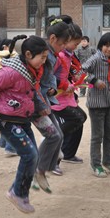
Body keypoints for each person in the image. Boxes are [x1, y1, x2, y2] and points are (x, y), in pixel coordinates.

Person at [0, 35, 49, 213]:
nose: (44, 61)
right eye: (41, 57)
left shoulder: (31, 72)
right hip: (8, 121)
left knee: (34, 156)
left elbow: (32, 93)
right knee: (30, 155)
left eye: (45, 57)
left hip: (23, 120)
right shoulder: (11, 72)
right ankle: (16, 192)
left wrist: (41, 107)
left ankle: (22, 194)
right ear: (28, 54)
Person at [82, 32, 110, 177]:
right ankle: (96, 164)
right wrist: (94, 81)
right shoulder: (94, 59)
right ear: (101, 45)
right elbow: (80, 72)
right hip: (96, 104)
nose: (109, 49)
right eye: (106, 45)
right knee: (97, 135)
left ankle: (108, 161)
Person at [32, 17, 69, 182]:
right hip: (35, 104)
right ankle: (38, 169)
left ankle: (48, 166)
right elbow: (37, 81)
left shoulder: (52, 55)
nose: (63, 49)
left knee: (59, 135)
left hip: (45, 100)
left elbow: (48, 79)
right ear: (53, 38)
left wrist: (52, 89)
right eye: (61, 44)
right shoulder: (43, 55)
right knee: (53, 136)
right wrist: (47, 92)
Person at [52, 15, 88, 165]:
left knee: (78, 121)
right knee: (78, 118)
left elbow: (69, 74)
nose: (77, 46)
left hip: (66, 96)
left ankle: (68, 153)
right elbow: (50, 78)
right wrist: (65, 86)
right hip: (56, 98)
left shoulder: (69, 56)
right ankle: (52, 147)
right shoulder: (58, 56)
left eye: (78, 43)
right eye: (75, 43)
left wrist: (72, 90)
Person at [0, 37, 18, 157]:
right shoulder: (10, 56)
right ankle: (10, 148)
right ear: (5, 47)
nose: (14, 49)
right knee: (14, 119)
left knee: (5, 117)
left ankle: (3, 142)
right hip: (10, 92)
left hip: (0, 92)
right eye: (12, 46)